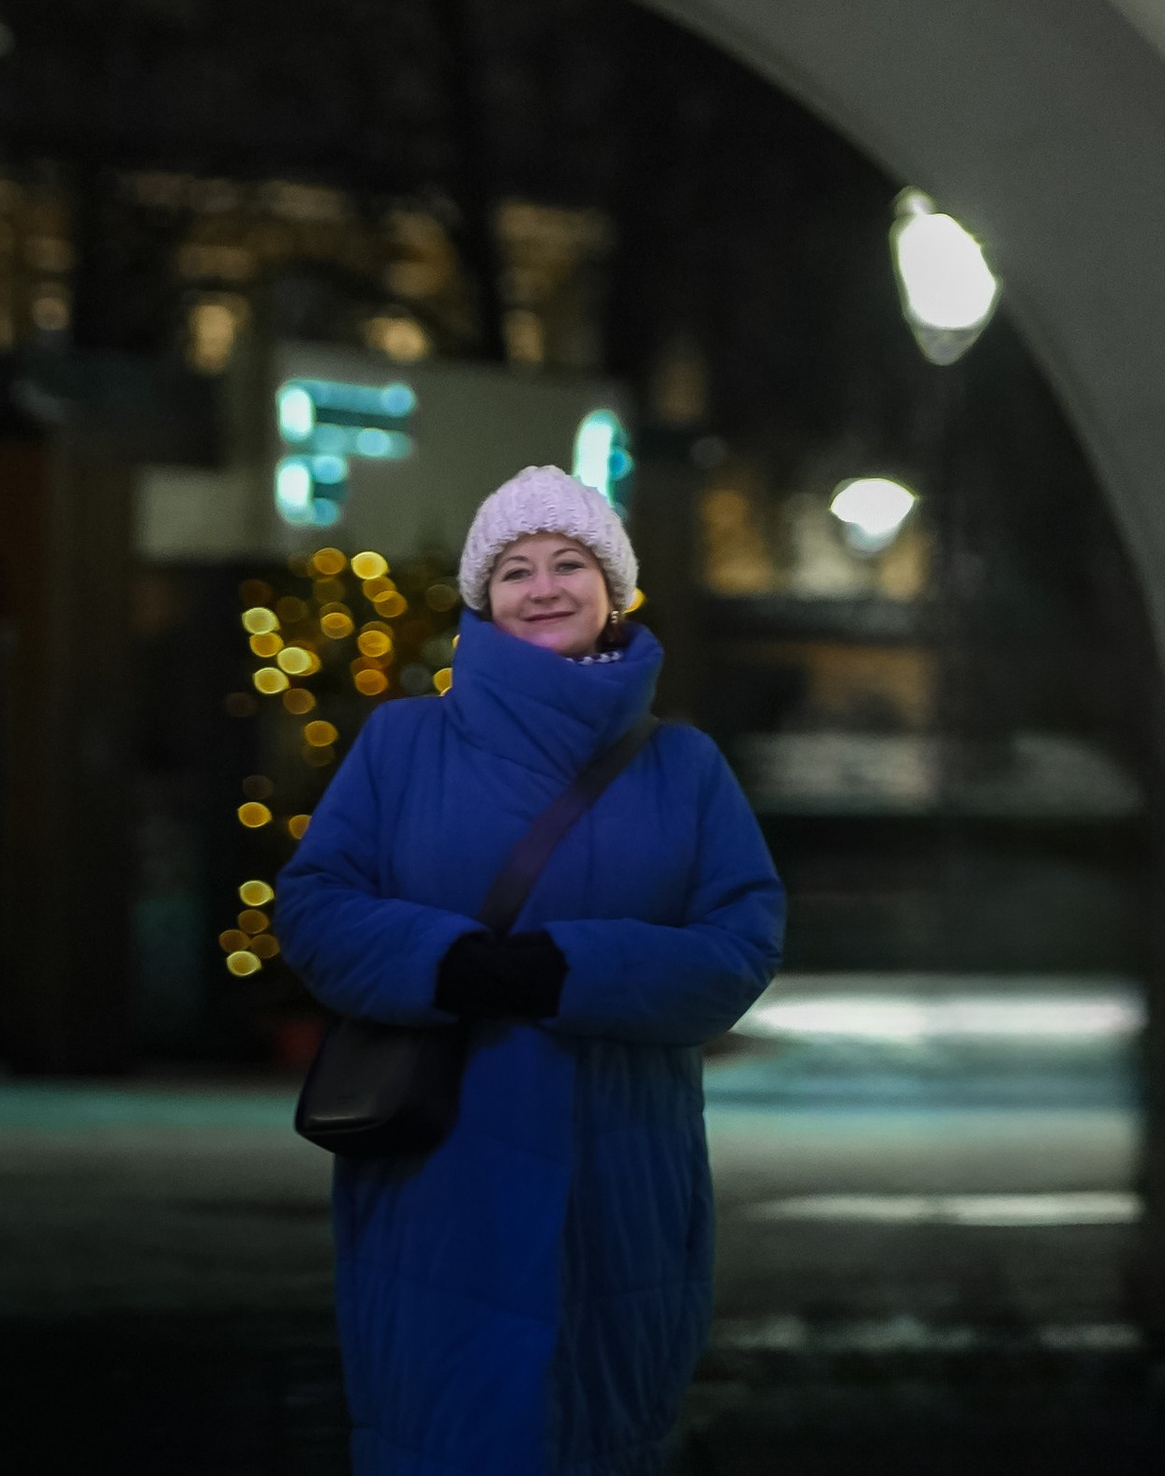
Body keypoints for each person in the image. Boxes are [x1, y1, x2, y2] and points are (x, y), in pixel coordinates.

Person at [271, 463, 784, 1476]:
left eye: (568, 563)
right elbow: (315, 904)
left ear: (615, 590)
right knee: (446, 1432)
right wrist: (445, 961)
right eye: (512, 569)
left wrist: (571, 970)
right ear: (482, 598)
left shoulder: (683, 766)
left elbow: (742, 942)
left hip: (623, 1166)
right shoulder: (402, 744)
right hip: (439, 1170)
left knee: (602, 1430)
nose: (541, 586)